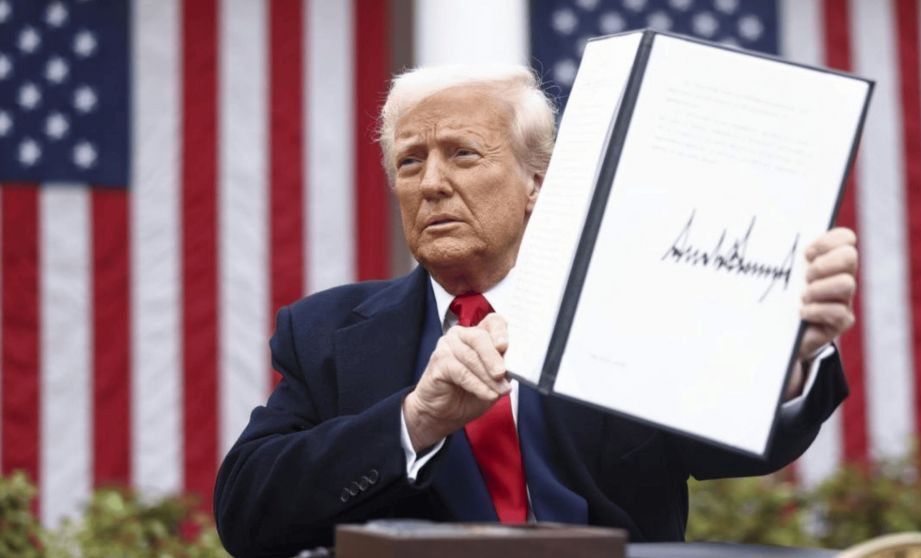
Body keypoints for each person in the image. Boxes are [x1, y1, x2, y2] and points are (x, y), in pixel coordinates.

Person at [214, 65, 856, 558]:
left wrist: (789, 352)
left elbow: (732, 445)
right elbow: (247, 512)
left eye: (462, 154)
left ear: (537, 186)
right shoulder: (326, 333)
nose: (431, 183)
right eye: (410, 161)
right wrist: (416, 420)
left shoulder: (630, 310)